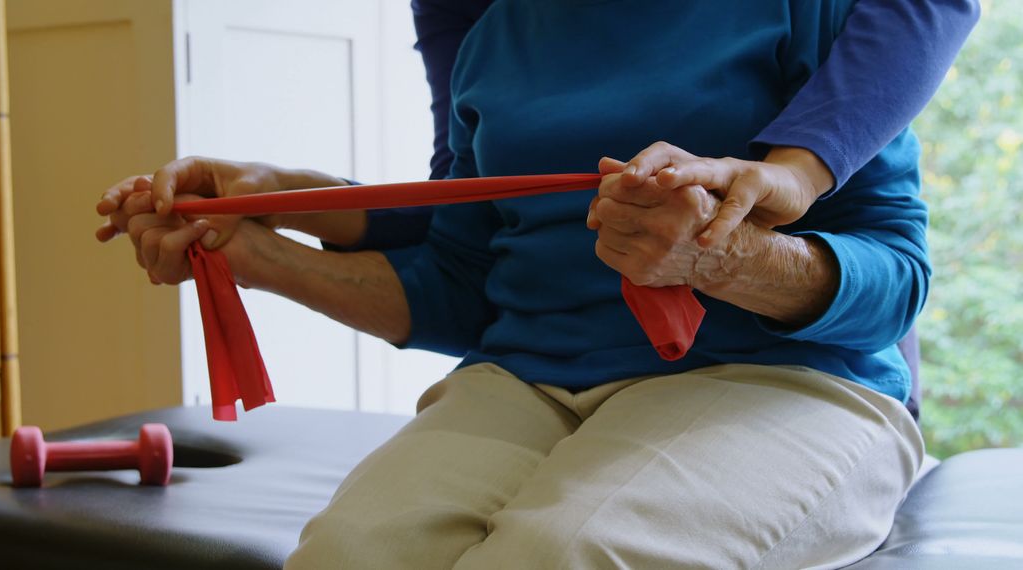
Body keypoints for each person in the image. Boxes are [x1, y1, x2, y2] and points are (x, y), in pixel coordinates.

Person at [97, 1, 977, 567]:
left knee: (562, 556)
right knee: (350, 555)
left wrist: (719, 257)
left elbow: (896, 281)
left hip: (791, 385)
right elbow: (462, 277)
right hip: (527, 378)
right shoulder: (490, 34)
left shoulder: (825, 16)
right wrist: (254, 246)